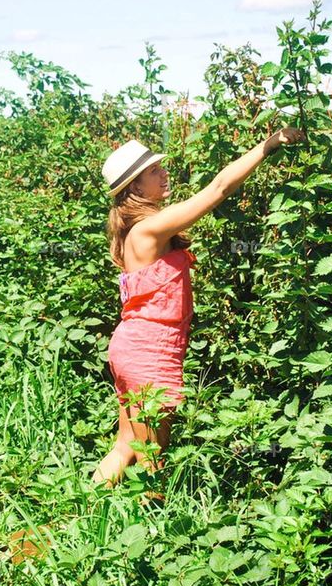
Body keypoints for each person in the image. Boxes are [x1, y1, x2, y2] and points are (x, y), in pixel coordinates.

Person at [91, 127, 307, 488]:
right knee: (152, 461)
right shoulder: (148, 230)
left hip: (133, 346)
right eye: (154, 171)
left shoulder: (136, 232)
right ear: (135, 188)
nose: (164, 173)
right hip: (148, 352)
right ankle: (153, 521)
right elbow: (219, 189)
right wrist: (267, 146)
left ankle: (83, 509)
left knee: (126, 445)